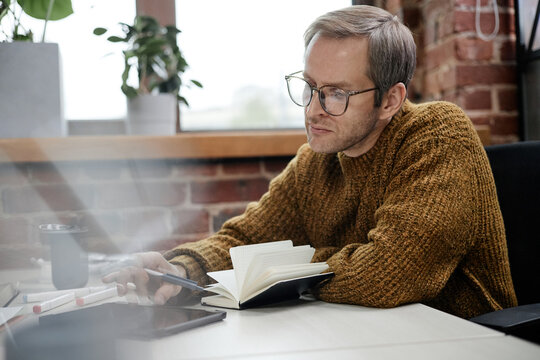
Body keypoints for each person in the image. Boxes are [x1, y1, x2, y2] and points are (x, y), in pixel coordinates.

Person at [104, 5, 517, 319]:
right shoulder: (317, 159)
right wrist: (179, 269)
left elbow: (390, 275)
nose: (313, 110)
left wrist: (283, 265)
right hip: (363, 336)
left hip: (462, 340)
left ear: (390, 99)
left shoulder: (438, 135)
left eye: (336, 93)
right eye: (309, 86)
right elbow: (246, 240)